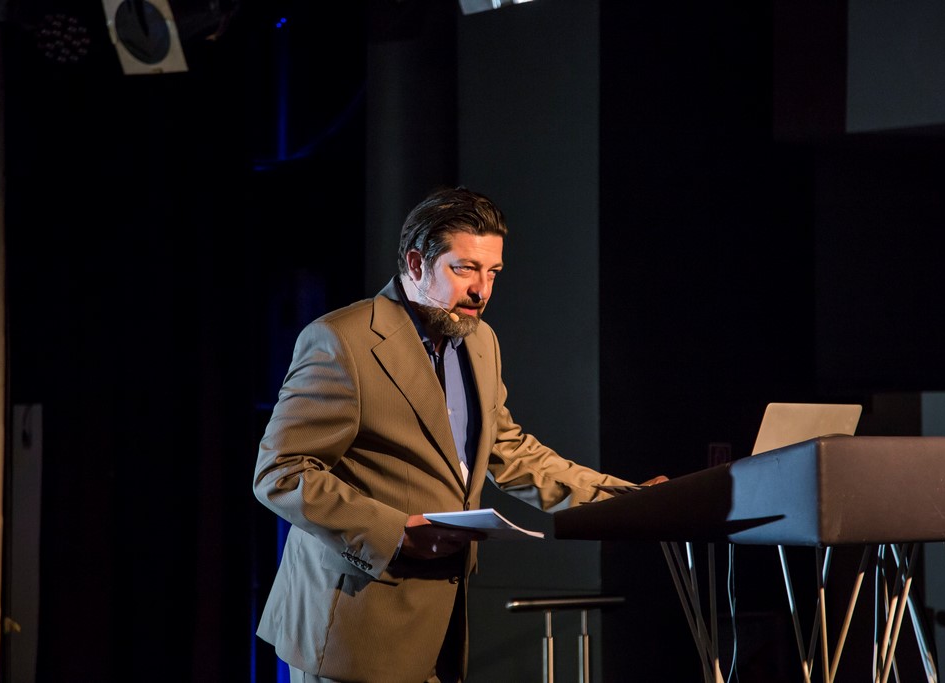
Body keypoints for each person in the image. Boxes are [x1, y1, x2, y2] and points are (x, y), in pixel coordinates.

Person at [253, 186, 666, 683]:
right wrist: (395, 531)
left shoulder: (481, 340)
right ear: (416, 263)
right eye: (465, 268)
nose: (482, 291)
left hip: (438, 627)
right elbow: (280, 472)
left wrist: (627, 501)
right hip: (350, 629)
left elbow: (510, 451)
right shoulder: (341, 340)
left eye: (493, 272)